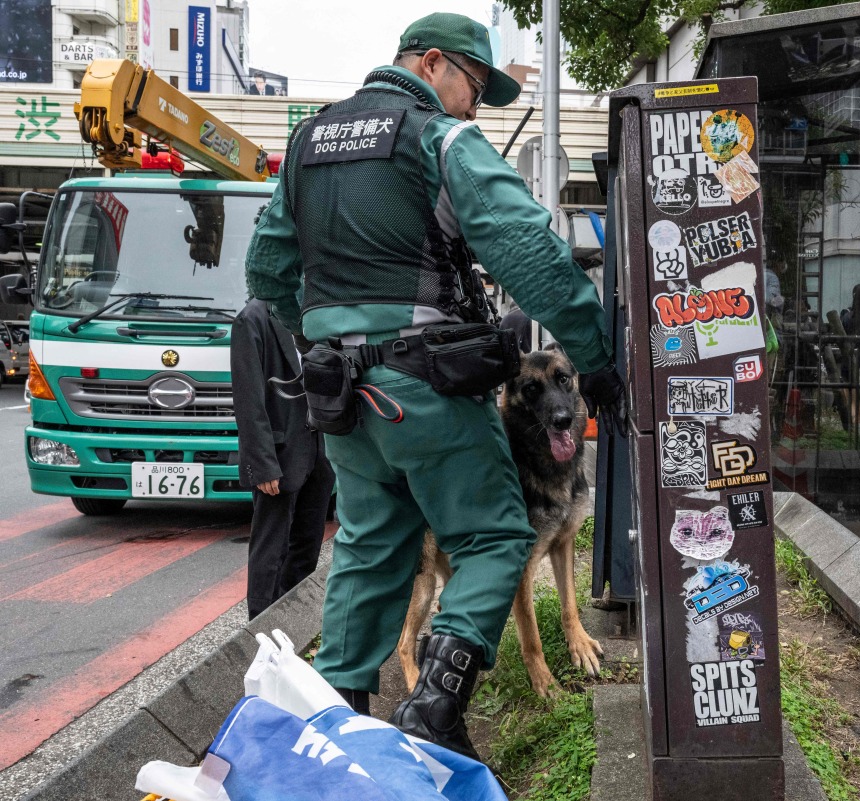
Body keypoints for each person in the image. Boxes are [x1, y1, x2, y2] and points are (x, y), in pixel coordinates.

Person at [243, 12, 626, 760]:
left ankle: (334, 727)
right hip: (427, 388)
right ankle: (434, 708)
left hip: (344, 401)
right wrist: (597, 360)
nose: (474, 107)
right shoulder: (439, 140)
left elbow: (266, 276)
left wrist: (330, 339)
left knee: (368, 546)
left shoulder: (306, 146)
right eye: (474, 86)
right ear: (429, 65)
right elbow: (535, 257)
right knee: (498, 535)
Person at [231, 298, 335, 619]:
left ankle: (291, 624)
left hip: (320, 453)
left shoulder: (317, 311)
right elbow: (248, 401)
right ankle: (260, 631)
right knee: (270, 550)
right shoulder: (251, 319)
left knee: (307, 545)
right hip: (279, 454)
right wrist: (262, 464)